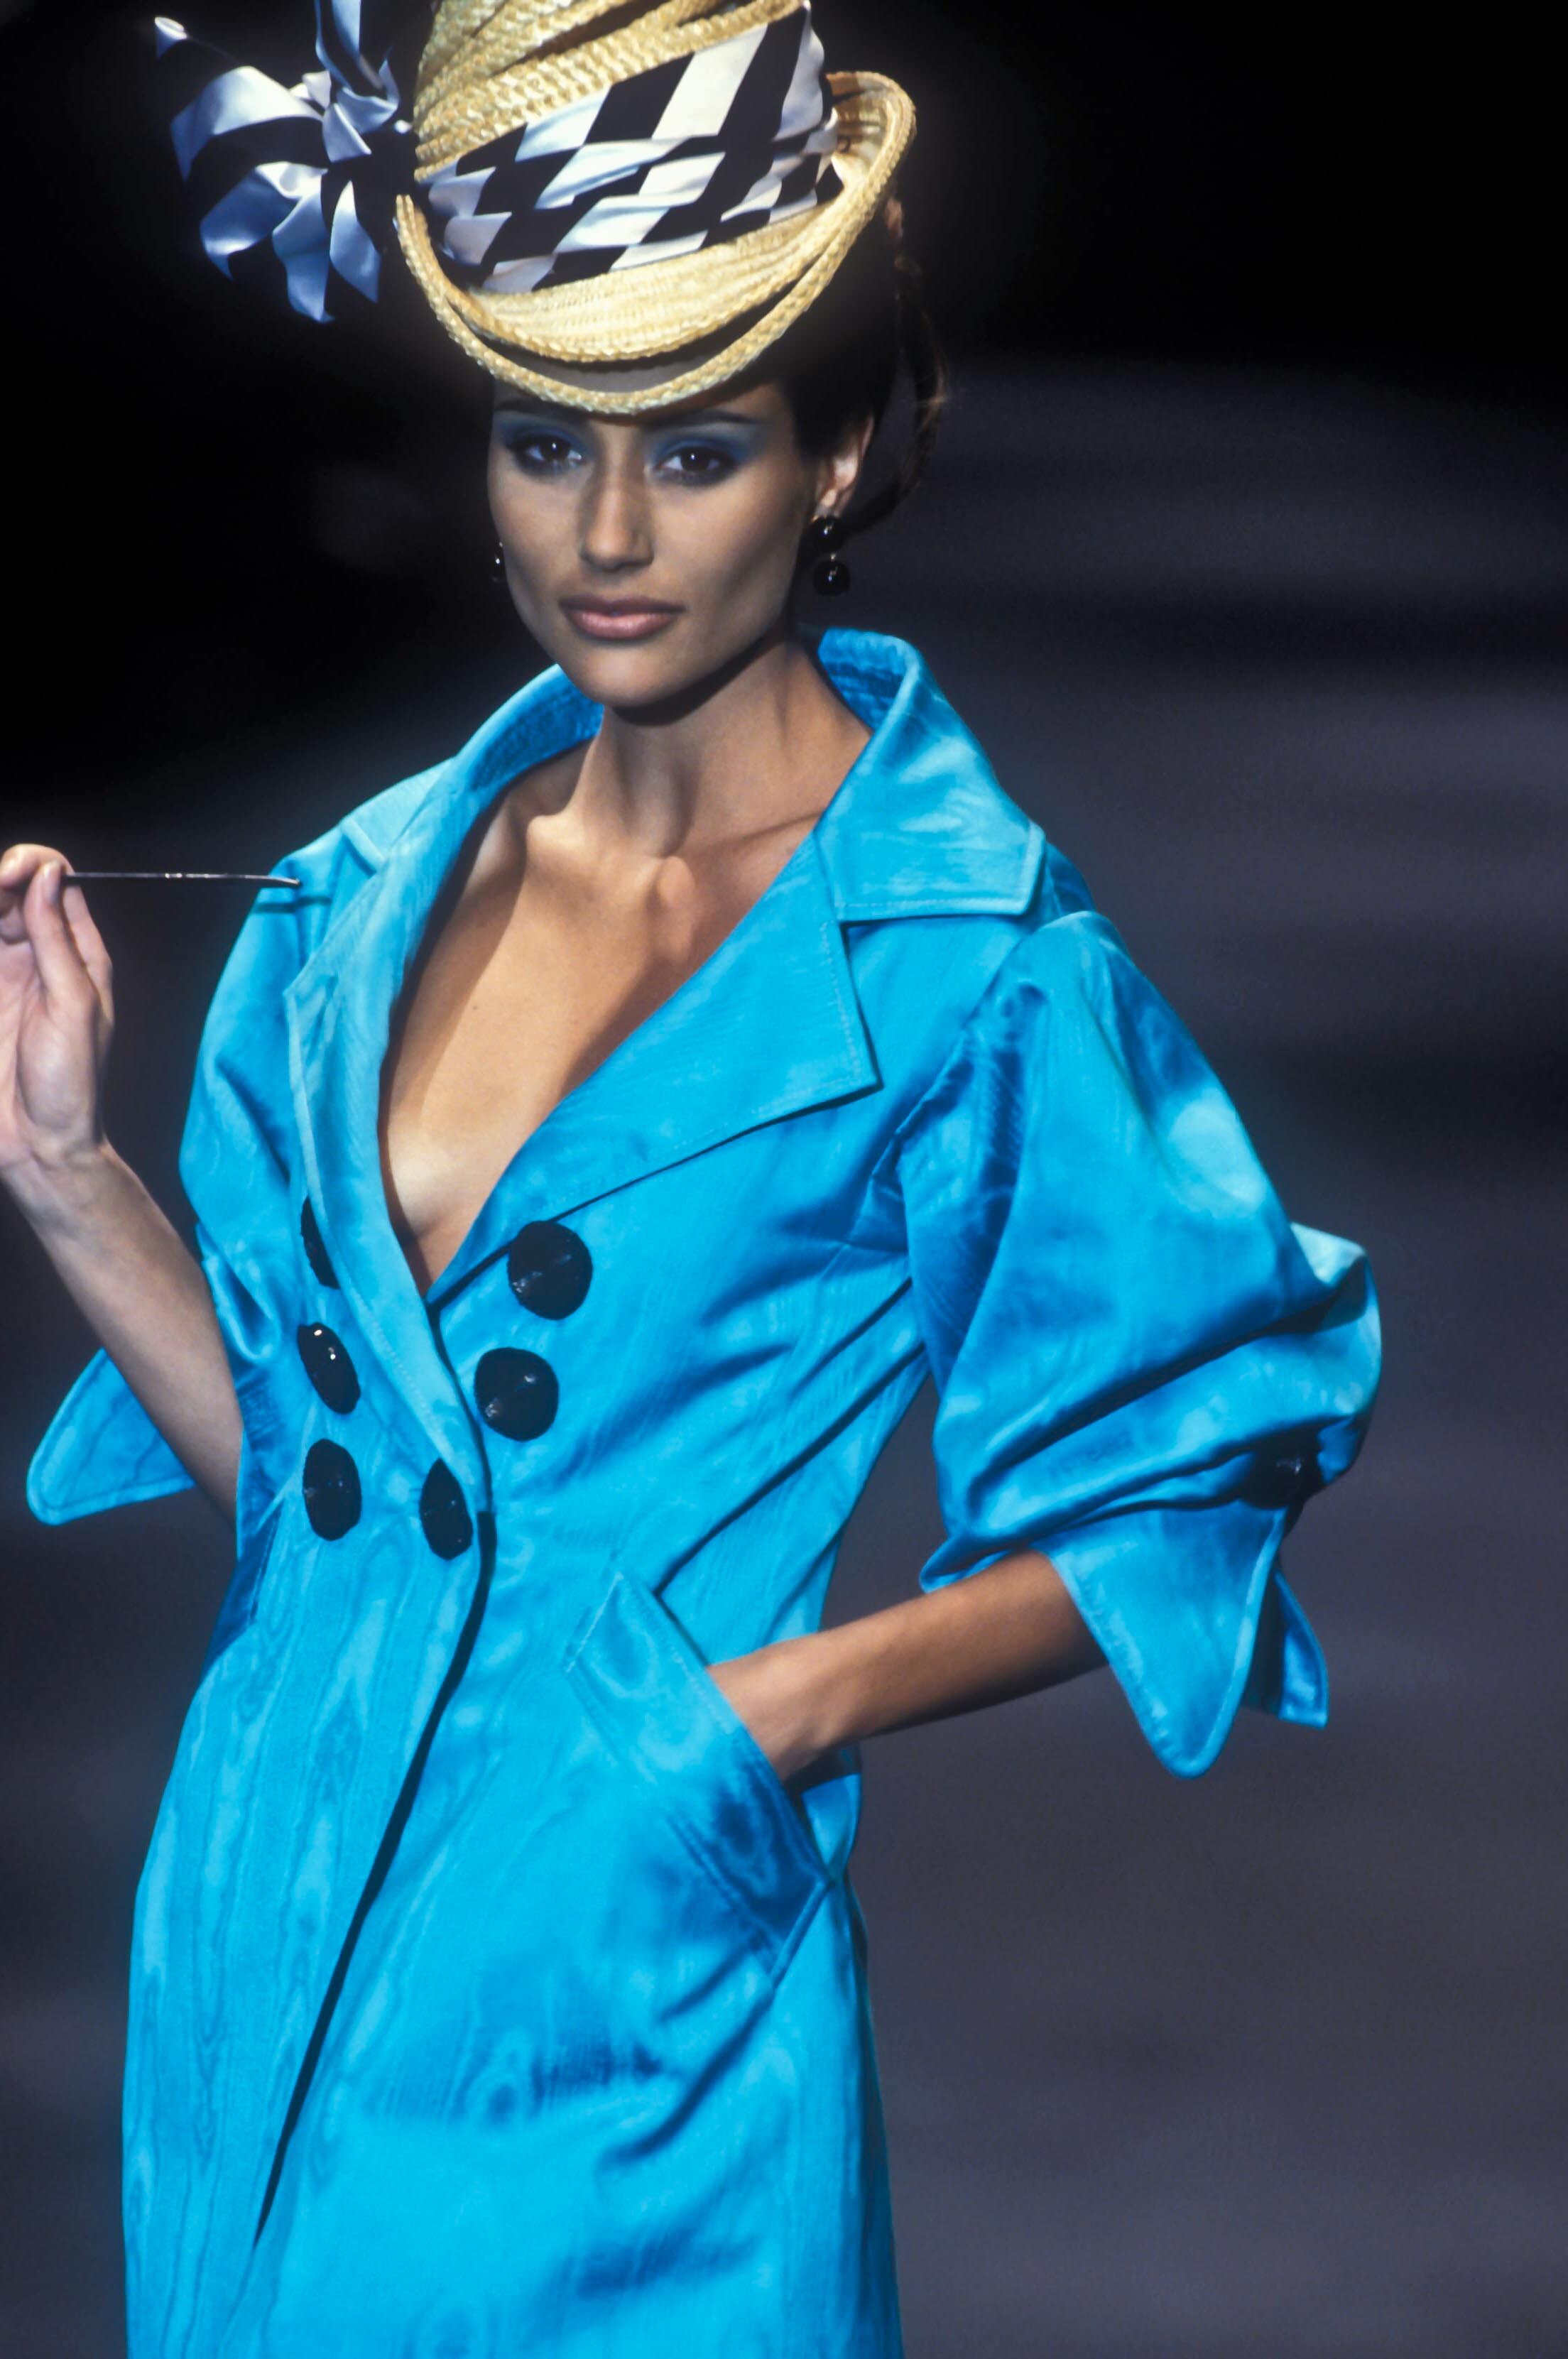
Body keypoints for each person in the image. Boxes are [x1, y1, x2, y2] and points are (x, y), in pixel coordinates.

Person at [0, 1, 1381, 2351]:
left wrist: (760, 1717)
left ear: (836, 452)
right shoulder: (357, 900)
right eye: (548, 443)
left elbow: (1192, 1463)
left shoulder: (960, 953)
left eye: (699, 448)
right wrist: (63, 1177)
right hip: (257, 1934)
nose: (609, 535)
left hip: (636, 2013)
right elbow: (339, 1506)